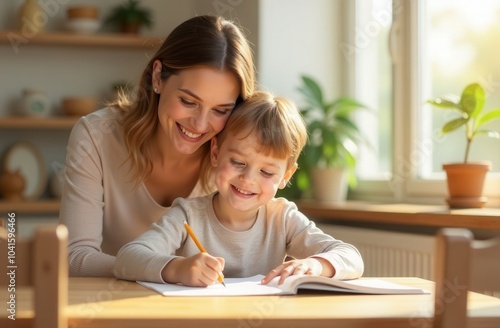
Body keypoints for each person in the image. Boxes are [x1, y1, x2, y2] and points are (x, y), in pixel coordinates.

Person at [59, 15, 256, 277]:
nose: (199, 124)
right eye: (188, 101)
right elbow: (74, 259)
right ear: (158, 77)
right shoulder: (97, 137)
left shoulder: (236, 160)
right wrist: (167, 270)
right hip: (111, 307)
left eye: (220, 110)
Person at [114, 91, 364, 286]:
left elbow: (351, 257)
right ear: (215, 153)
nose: (248, 179)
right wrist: (177, 268)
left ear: (286, 176)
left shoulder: (283, 218)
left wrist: (316, 266)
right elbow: (127, 258)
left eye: (266, 172)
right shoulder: (187, 215)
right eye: (237, 162)